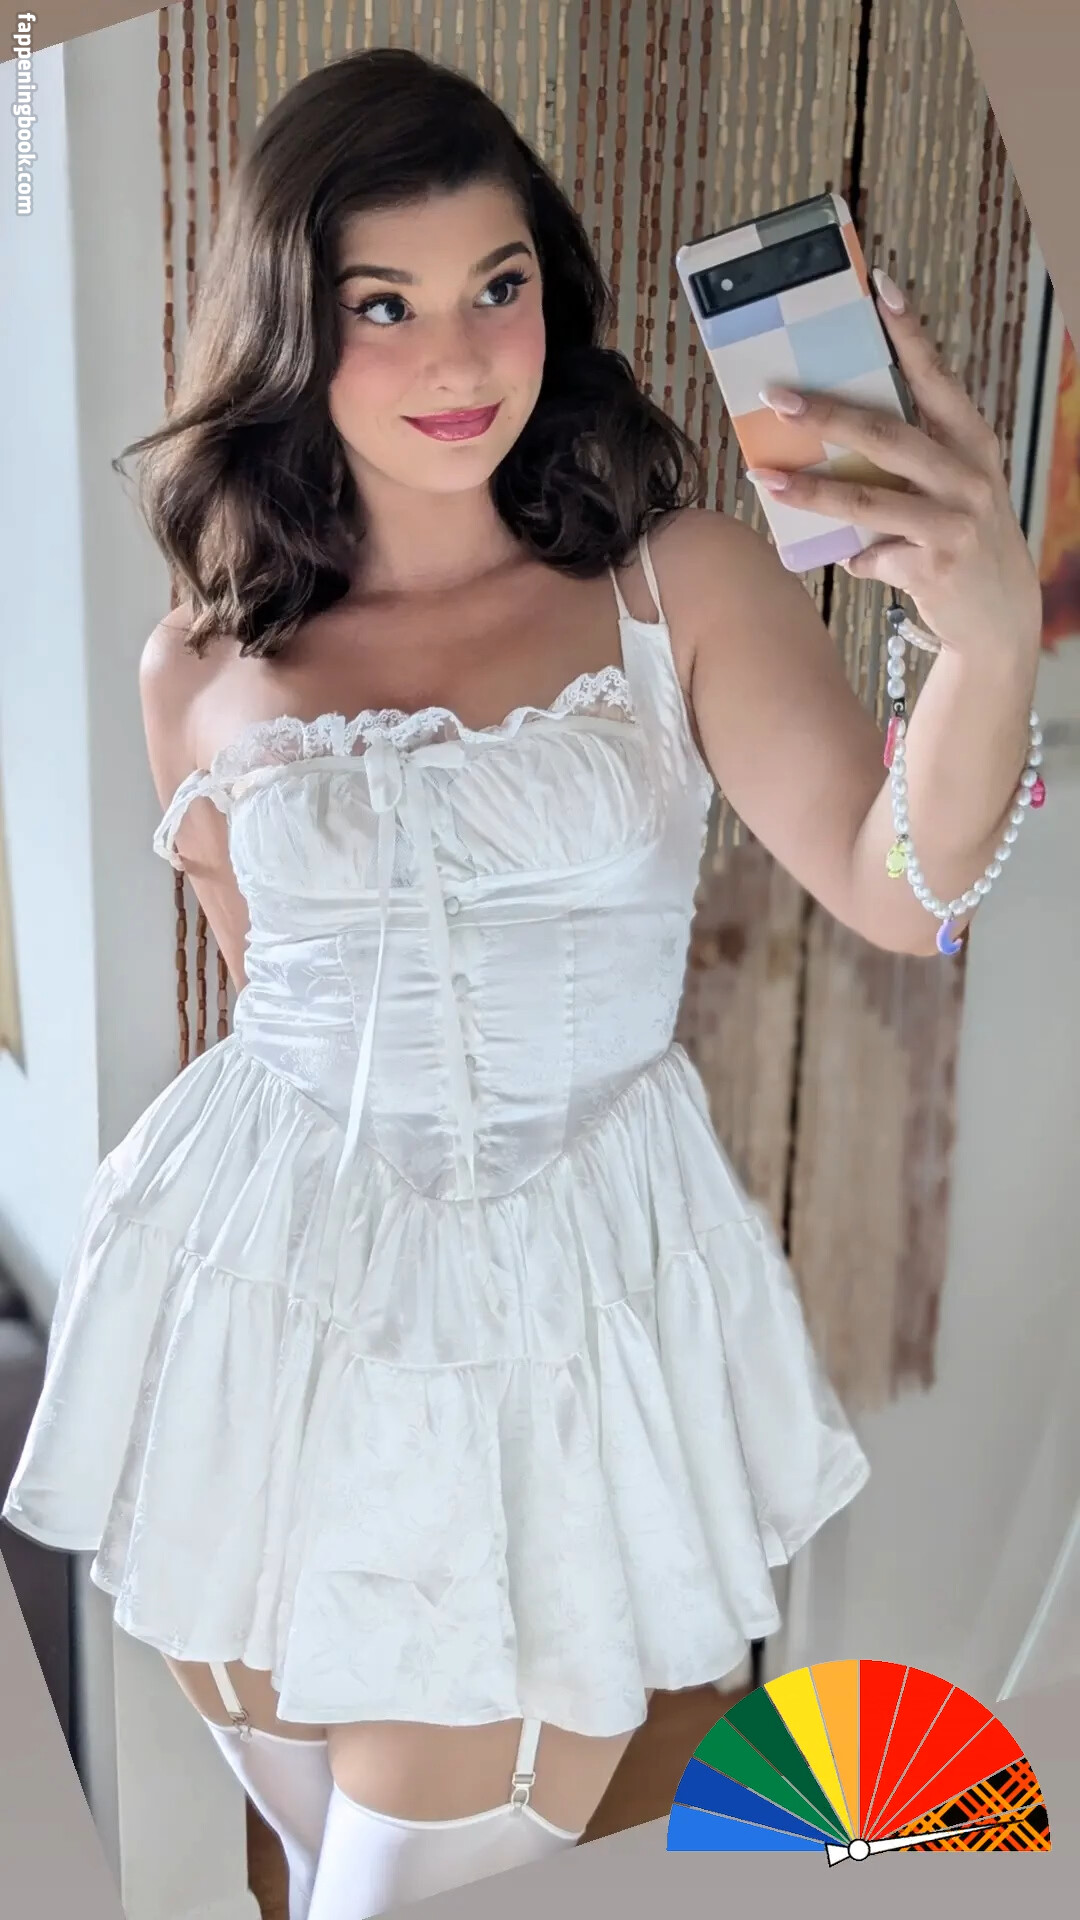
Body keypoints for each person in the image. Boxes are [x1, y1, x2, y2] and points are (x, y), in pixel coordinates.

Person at [2, 44, 1043, 1920]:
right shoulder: (201, 662)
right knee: (311, 1845)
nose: (462, 355)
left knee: (391, 1881)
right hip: (252, 1318)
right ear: (290, 334)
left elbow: (906, 890)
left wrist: (982, 648)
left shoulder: (674, 587)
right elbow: (267, 985)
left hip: (550, 1322)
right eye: (380, 306)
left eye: (497, 284)